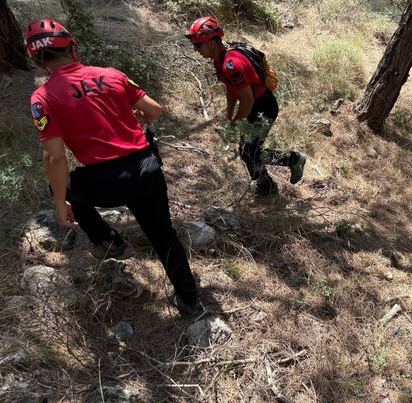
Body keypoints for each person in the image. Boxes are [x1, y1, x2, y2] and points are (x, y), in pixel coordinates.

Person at [26, 19, 202, 318]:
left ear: (38, 61)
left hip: (105, 181)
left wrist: (60, 204)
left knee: (62, 186)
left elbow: (54, 157)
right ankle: (189, 301)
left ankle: (108, 241)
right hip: (146, 169)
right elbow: (155, 111)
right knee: (163, 235)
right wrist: (132, 114)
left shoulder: (42, 99)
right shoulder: (112, 74)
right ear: (72, 47)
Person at [185, 17, 305, 197]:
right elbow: (231, 90)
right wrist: (229, 115)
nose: (196, 49)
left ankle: (284, 170)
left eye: (198, 45)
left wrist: (237, 122)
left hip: (263, 107)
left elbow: (247, 100)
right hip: (256, 106)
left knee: (249, 152)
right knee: (249, 151)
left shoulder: (231, 65)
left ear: (211, 42)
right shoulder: (221, 58)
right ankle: (274, 179)